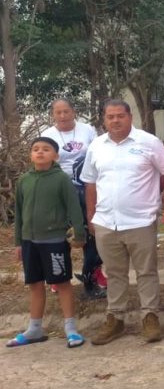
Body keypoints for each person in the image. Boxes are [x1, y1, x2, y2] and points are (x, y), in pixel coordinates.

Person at [81, 100, 164, 345]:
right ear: (104, 120)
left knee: (147, 272)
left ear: (130, 117)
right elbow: (90, 183)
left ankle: (150, 316)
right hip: (106, 222)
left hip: (140, 220)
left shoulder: (149, 142)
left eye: (120, 115)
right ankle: (116, 318)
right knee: (114, 273)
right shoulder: (96, 146)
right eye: (110, 116)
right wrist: (91, 217)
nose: (115, 120)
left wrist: (151, 195)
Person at [7, 137, 87, 349]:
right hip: (29, 242)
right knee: (34, 284)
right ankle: (34, 329)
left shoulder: (61, 179)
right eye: (35, 149)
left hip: (54, 242)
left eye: (45, 149)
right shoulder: (24, 180)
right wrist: (18, 242)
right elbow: (20, 213)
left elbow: (74, 208)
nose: (40, 152)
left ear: (55, 155)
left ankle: (71, 328)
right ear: (30, 155)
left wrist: (79, 234)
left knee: (61, 283)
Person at [40, 98, 105, 298]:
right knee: (60, 235)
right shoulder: (48, 135)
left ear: (73, 112)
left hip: (85, 187)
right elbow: (43, 161)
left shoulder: (88, 130)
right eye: (58, 112)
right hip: (59, 188)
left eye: (66, 111)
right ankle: (59, 277)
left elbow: (97, 155)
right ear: (53, 114)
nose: (62, 115)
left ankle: (93, 275)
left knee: (89, 233)